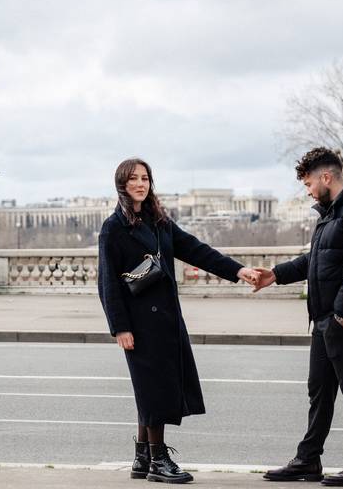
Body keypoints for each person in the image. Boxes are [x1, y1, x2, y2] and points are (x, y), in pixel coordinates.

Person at [97, 157, 259, 484]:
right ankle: (158, 460)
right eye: (133, 179)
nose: (141, 184)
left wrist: (237, 270)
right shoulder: (113, 228)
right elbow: (107, 283)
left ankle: (142, 457)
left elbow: (196, 251)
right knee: (154, 390)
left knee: (152, 389)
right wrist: (121, 328)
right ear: (122, 185)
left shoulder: (159, 221)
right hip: (139, 323)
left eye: (145, 178)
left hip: (167, 320)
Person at [253, 147, 343, 487]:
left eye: (309, 183)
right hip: (326, 318)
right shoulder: (330, 215)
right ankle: (308, 460)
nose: (308, 190)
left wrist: (340, 315)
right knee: (320, 391)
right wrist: (275, 275)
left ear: (326, 177)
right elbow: (314, 260)